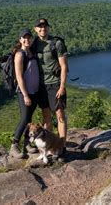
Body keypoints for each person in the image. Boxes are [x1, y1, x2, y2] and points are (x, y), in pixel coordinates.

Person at [31, 18, 69, 159]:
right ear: (35, 29)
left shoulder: (56, 43)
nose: (43, 29)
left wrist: (62, 86)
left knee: (60, 116)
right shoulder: (34, 43)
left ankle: (62, 146)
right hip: (41, 85)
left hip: (55, 83)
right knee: (46, 117)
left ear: (48, 28)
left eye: (45, 26)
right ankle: (48, 147)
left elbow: (64, 66)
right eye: (40, 27)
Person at [9, 29, 40, 159]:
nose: (27, 40)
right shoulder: (20, 54)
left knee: (29, 119)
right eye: (24, 38)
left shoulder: (30, 51)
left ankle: (27, 144)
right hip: (25, 92)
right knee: (25, 118)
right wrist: (26, 95)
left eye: (29, 37)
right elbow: (19, 77)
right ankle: (14, 146)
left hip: (34, 91)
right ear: (20, 40)